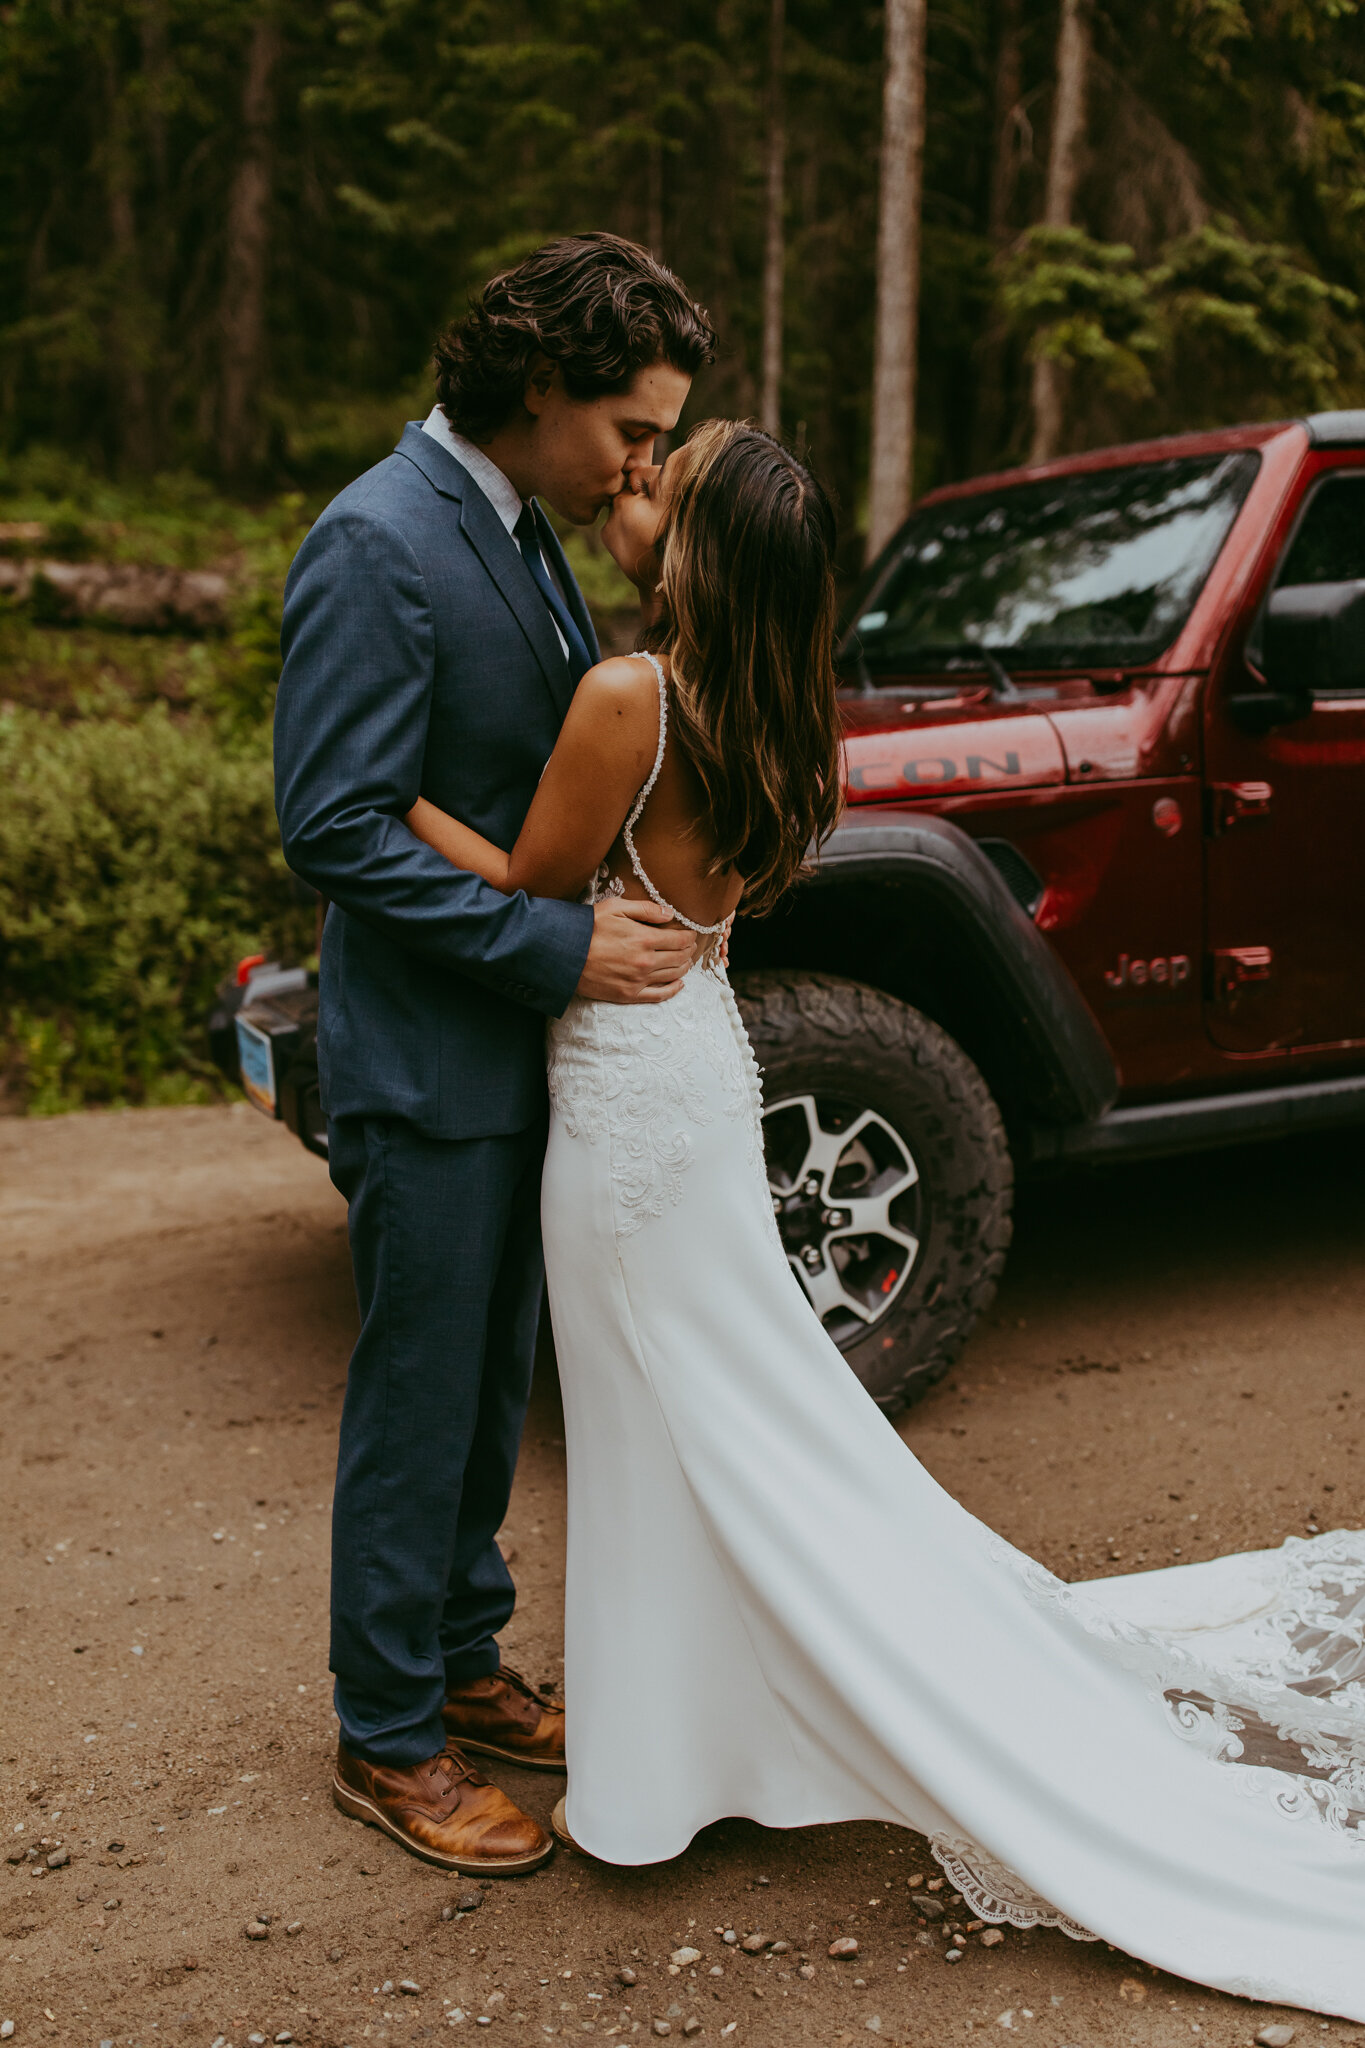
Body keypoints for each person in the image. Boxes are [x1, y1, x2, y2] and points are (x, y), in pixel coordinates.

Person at [406, 414, 1365, 2024]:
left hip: (634, 1105)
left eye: (664, 483)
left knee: (659, 1427)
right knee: (715, 1421)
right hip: (696, 1073)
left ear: (706, 549)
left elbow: (518, 890)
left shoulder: (627, 696)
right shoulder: (789, 718)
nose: (632, 490)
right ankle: (681, 1744)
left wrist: (384, 807)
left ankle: (661, 1769)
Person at [273, 234, 716, 1875]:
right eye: (631, 424)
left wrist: (639, 543)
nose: (646, 456)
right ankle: (384, 1734)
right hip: (422, 1061)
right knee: (421, 1393)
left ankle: (460, 1659)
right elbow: (331, 821)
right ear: (540, 391)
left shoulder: (524, 519)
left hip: (514, 1059)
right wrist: (553, 947)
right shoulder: (376, 538)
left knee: (483, 1391)